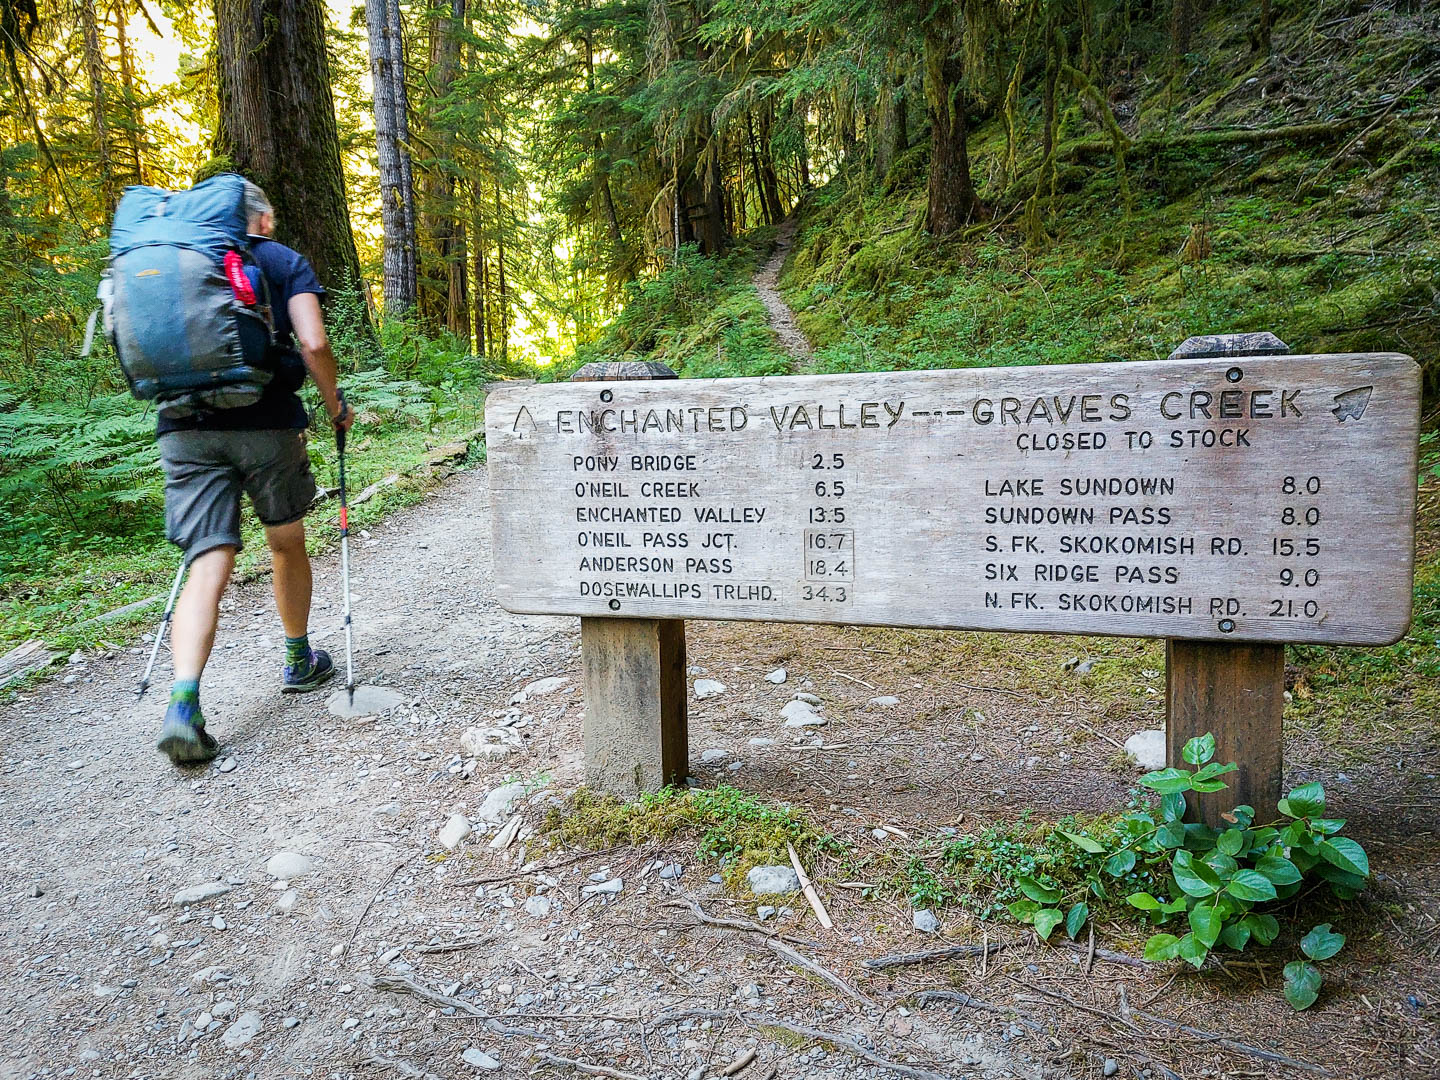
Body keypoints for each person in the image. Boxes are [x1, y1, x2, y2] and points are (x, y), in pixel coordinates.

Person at [155, 180, 355, 766]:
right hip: (267, 424)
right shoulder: (281, 260)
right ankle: (298, 659)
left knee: (207, 559)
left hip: (184, 427)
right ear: (262, 218)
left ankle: (184, 701)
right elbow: (314, 343)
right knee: (286, 542)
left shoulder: (178, 257)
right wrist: (335, 404)